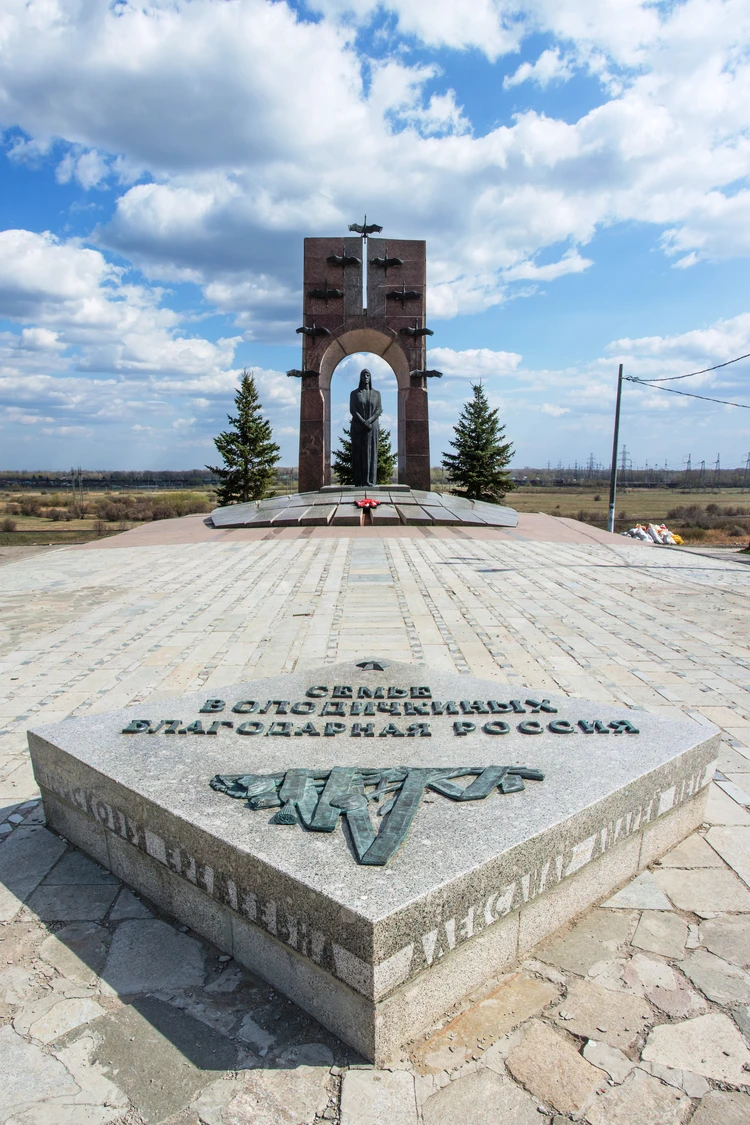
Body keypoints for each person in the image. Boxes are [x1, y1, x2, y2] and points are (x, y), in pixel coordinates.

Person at [349, 369, 382, 487]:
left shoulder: (376, 394)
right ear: (360, 377)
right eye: (363, 375)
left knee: (371, 453)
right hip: (358, 427)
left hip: (372, 428)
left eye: (368, 375)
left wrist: (369, 421)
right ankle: (359, 481)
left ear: (370, 377)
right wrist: (363, 421)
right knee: (358, 453)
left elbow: (378, 409)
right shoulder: (354, 393)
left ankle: (370, 480)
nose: (366, 377)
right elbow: (353, 409)